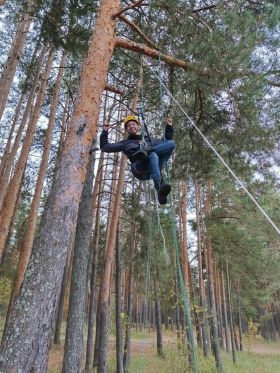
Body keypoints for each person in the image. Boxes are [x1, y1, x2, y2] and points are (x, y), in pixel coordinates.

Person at [100, 115, 175, 205]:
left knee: (171, 143)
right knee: (153, 155)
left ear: (138, 126)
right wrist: (105, 131)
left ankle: (161, 193)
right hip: (139, 168)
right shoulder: (126, 143)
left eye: (133, 124)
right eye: (128, 126)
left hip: (154, 166)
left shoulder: (149, 140)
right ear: (127, 130)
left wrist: (169, 126)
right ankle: (159, 185)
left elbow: (167, 142)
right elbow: (105, 147)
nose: (131, 126)